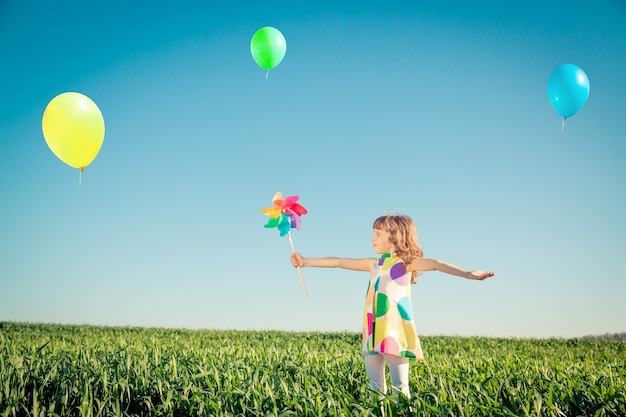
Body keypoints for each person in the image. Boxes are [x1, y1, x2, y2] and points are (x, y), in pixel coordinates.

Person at [290, 214, 495, 399]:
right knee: (375, 387)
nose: (372, 238)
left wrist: (468, 274)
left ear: (395, 236)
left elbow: (437, 263)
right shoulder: (374, 264)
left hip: (395, 332)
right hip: (372, 331)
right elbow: (338, 261)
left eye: (378, 234)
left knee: (400, 387)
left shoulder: (406, 263)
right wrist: (305, 261)